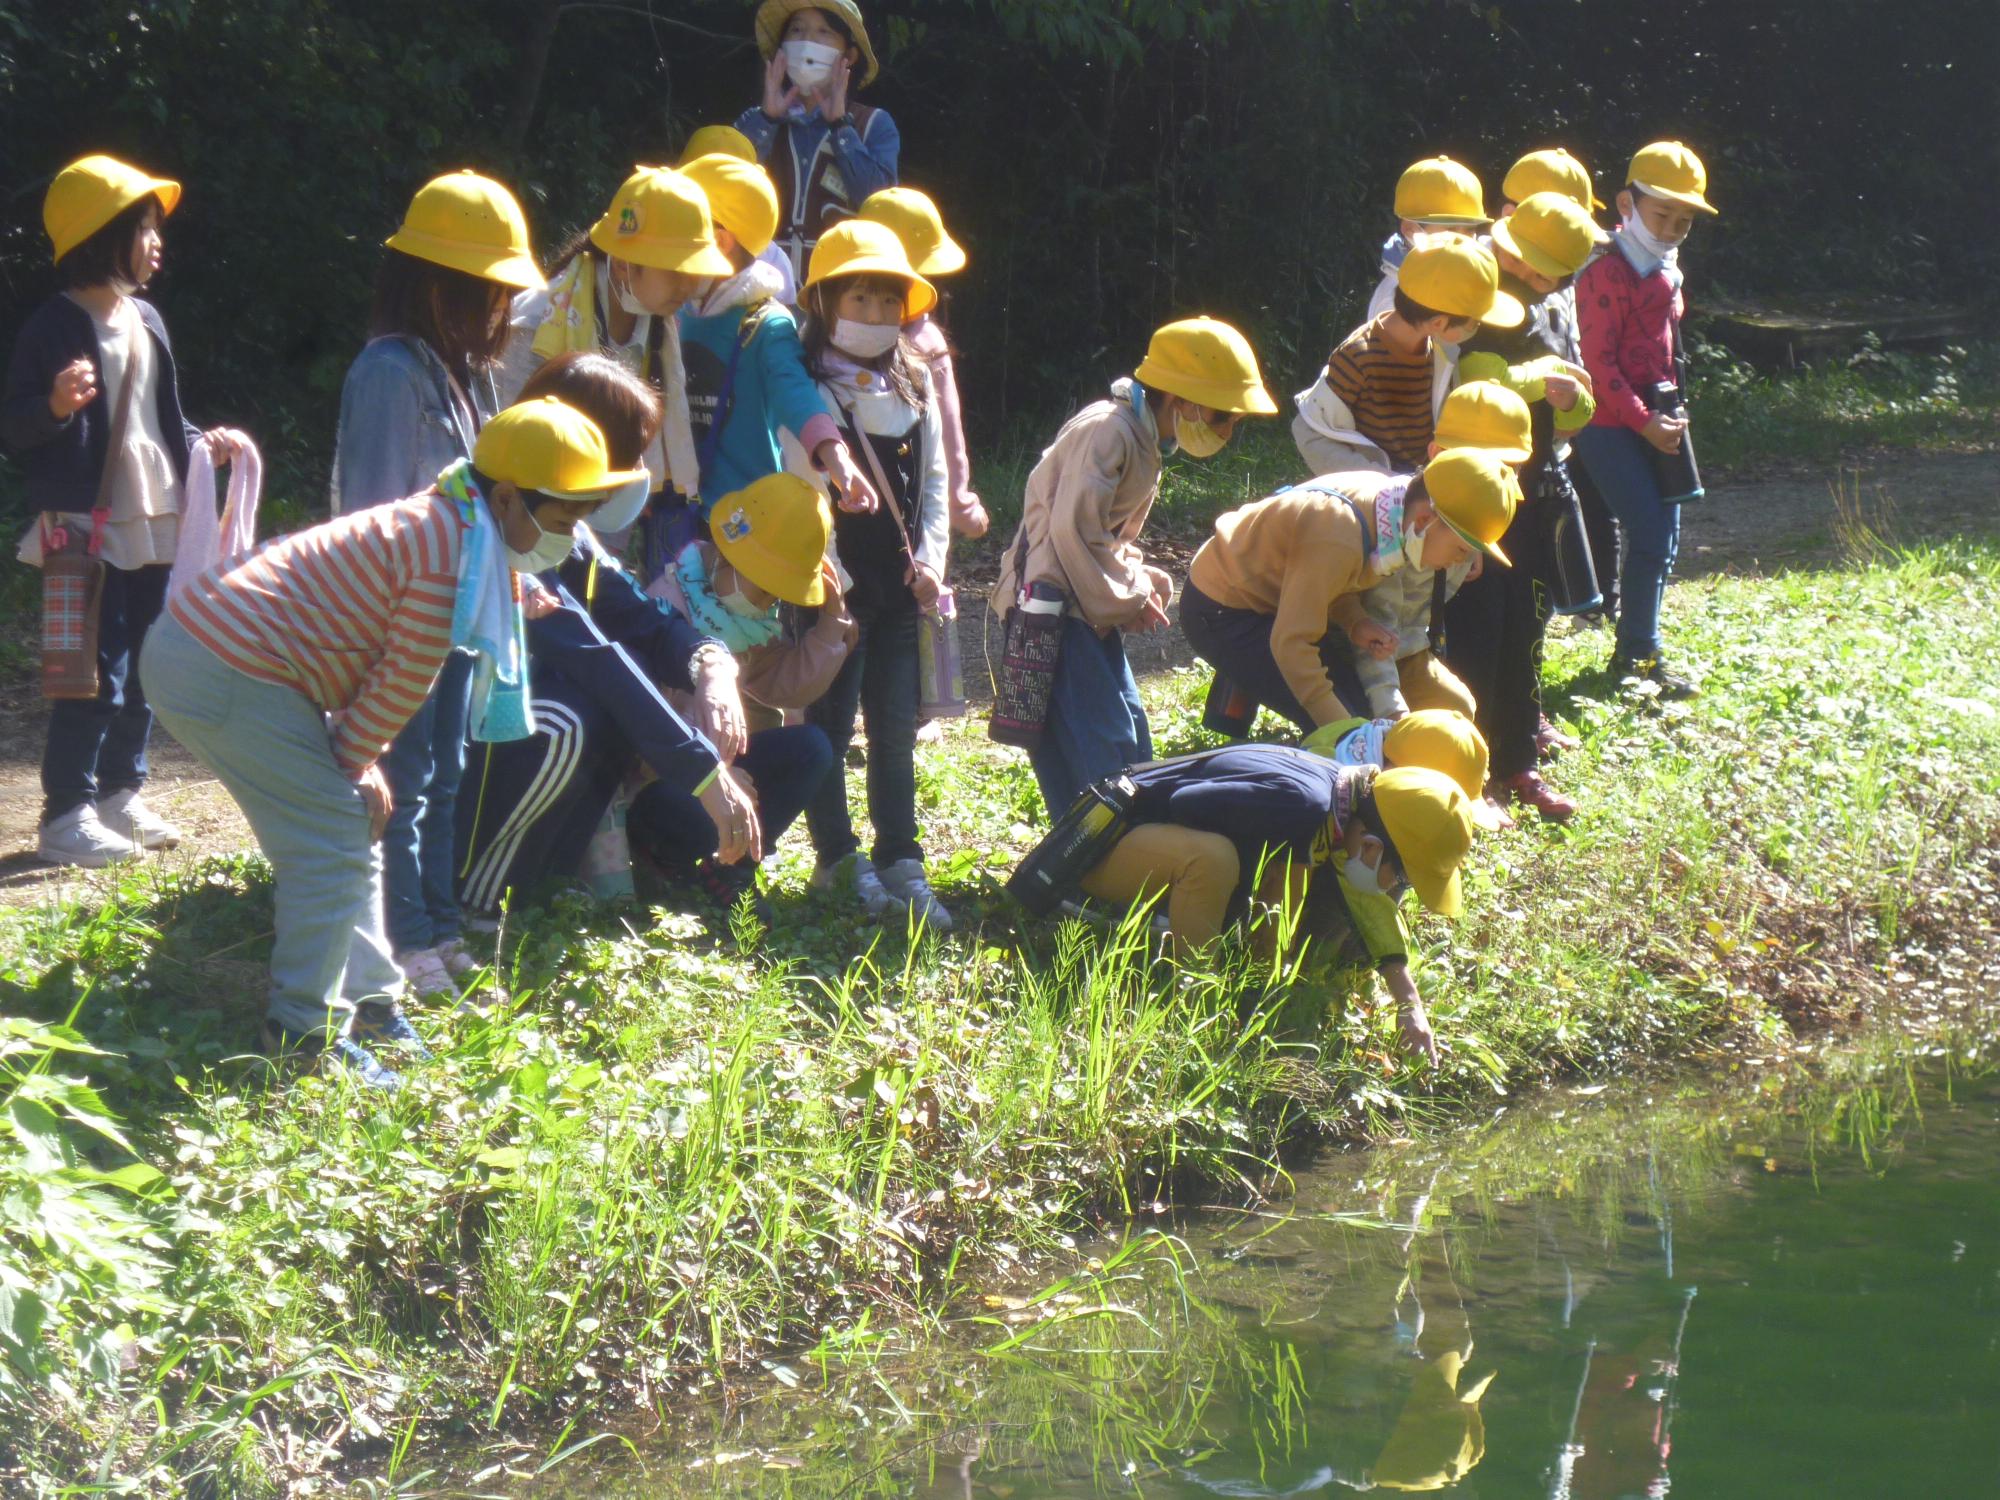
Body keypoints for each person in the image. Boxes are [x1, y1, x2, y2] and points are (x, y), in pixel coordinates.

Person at [144, 398, 646, 1087]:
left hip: (232, 657)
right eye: (561, 520)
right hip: (219, 665)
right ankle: (302, 1033)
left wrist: (355, 763)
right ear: (507, 499)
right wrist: (356, 762)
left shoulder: (458, 523)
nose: (569, 537)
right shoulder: (446, 558)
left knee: (351, 827)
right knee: (328, 839)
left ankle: (372, 1001)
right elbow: (401, 684)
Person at [453, 355, 771, 923]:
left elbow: (643, 619)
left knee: (598, 710)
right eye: (623, 459)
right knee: (565, 720)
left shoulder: (562, 534)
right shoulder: (501, 534)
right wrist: (703, 772)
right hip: (445, 755)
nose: (630, 479)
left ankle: (541, 885)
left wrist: (710, 663)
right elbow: (594, 654)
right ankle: (476, 899)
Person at [331, 169, 545, 998]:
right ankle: (405, 937)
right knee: (408, 778)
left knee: (446, 773)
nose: (502, 313)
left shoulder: (464, 373)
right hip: (406, 612)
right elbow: (377, 510)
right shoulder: (389, 372)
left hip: (460, 609)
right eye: (491, 294)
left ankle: (441, 922)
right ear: (442, 287)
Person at [3, 155, 250, 869]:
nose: (156, 242)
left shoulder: (146, 318)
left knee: (147, 659)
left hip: (156, 513)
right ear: (100, 235)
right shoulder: (53, 326)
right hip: (85, 523)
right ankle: (65, 813)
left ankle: (119, 793)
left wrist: (207, 445)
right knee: (92, 667)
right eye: (143, 228)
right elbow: (13, 425)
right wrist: (53, 407)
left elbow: (160, 419)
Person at [992, 318, 1277, 817]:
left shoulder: (1143, 439)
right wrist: (1130, 597)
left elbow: (1109, 536)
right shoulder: (1109, 431)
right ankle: (1091, 862)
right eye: (1222, 416)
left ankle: (1125, 849)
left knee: (1129, 731)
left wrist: (1140, 577)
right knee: (1098, 745)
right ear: (1184, 399)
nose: (1227, 431)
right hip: (1055, 607)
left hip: (1085, 604)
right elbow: (1072, 532)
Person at [1065, 752, 1479, 1063]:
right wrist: (1259, 859)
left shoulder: (1340, 808)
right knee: (1214, 859)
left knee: (1237, 867)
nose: (1396, 889)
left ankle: (1233, 997)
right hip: (1094, 843)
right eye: (1403, 878)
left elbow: (1370, 908)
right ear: (1371, 848)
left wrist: (1409, 1004)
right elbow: (1186, 803)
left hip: (1144, 842)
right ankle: (1195, 1013)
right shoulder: (1305, 807)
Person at [795, 219, 954, 928]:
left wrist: (934, 562)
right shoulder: (806, 389)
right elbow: (799, 492)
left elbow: (939, 484)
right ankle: (837, 858)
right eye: (861, 300)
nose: (878, 317)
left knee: (894, 730)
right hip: (833, 595)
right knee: (830, 731)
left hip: (901, 592)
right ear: (826, 302)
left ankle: (902, 859)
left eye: (890, 303)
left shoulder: (914, 382)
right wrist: (831, 587)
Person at [1447, 192, 1608, 822]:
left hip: (1538, 486)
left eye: (1554, 275)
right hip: (1480, 489)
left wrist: (1568, 400)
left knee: (1526, 636)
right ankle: (1467, 770)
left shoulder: (1550, 303)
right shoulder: (1478, 289)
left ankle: (1519, 761)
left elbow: (1579, 400)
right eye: (1537, 268)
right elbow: (1477, 380)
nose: (1542, 282)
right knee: (1474, 637)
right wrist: (1546, 379)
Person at [1181, 448, 1520, 736]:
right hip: (1225, 610)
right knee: (1357, 722)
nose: (1456, 563)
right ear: (1424, 520)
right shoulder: (1339, 533)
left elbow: (1332, 580)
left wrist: (1355, 621)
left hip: (1279, 601)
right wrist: (1349, 738)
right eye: (1461, 550)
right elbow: (1291, 643)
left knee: (1357, 712)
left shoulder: (1391, 510)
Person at [634, 471, 846, 908]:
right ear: (732, 560)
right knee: (687, 812)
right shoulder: (667, 604)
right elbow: (640, 727)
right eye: (766, 588)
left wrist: (833, 622)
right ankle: (664, 863)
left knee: (812, 748)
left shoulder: (746, 624)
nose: (769, 604)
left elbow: (789, 688)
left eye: (778, 596)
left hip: (721, 768)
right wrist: (708, 773)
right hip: (657, 780)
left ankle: (729, 870)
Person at [502, 164, 732, 538]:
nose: (689, 286)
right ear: (624, 266)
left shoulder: (660, 325)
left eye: (697, 272)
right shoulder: (536, 327)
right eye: (675, 270)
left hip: (602, 532)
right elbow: (501, 445)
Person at [1572, 141, 1718, 698]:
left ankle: (1642, 649)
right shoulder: (1607, 270)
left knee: (1668, 533)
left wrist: (1666, 416)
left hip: (1659, 418)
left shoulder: (1662, 264)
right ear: (1626, 204)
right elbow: (1596, 363)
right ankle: (1637, 657)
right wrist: (1644, 422)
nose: (1675, 226)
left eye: (1685, 219)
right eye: (1663, 214)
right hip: (1610, 426)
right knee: (1651, 530)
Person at [673, 152, 878, 547]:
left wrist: (837, 459)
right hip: (683, 514)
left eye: (679, 227)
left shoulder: (767, 324)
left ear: (720, 240)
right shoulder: (678, 311)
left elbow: (794, 390)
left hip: (744, 521)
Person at [1498, 147, 1622, 635]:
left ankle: (1526, 700)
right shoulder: (1486, 284)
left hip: (1549, 446)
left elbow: (1572, 365)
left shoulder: (1558, 279)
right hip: (1491, 456)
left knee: (1535, 583)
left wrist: (1573, 406)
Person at [1294, 235, 1523, 477]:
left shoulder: (1439, 352)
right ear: (1438, 322)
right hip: (1374, 499)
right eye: (1474, 323)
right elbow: (1309, 433)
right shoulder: (1357, 357)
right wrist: (1379, 481)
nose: (1475, 330)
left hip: (1419, 489)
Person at [737, 0, 900, 288]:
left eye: (824, 32)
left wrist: (840, 126)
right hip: (763, 290)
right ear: (781, 51)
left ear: (848, 56)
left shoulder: (873, 124)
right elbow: (726, 194)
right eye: (796, 30)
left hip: (839, 291)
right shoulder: (758, 120)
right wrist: (767, 119)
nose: (807, 41)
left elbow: (880, 205)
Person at [859, 186, 987, 538]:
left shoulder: (837, 339)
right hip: (914, 518)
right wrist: (961, 506)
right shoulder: (926, 343)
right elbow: (945, 435)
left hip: (853, 510)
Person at [1363, 155, 1492, 324]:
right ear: (1410, 229)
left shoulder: (1453, 278)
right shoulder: (1396, 303)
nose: (1463, 242)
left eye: (1469, 230)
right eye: (1450, 231)